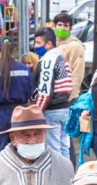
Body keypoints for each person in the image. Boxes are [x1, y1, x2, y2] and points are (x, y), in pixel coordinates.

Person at [0, 37, 34, 158]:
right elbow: (31, 92)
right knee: (21, 151)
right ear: (14, 51)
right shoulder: (25, 70)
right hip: (20, 114)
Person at [32, 28, 74, 161]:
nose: (35, 46)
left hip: (52, 109)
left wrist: (36, 111)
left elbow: (45, 91)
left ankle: (57, 178)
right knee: (63, 146)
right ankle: (68, 176)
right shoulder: (61, 58)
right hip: (65, 107)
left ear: (48, 44)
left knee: (53, 148)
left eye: (38, 43)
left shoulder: (48, 60)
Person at [52, 13, 85, 102]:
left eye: (66, 26)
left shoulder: (75, 46)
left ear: (70, 28)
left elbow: (77, 74)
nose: (62, 28)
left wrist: (71, 96)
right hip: (51, 95)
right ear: (54, 26)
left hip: (66, 97)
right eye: (59, 25)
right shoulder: (51, 42)